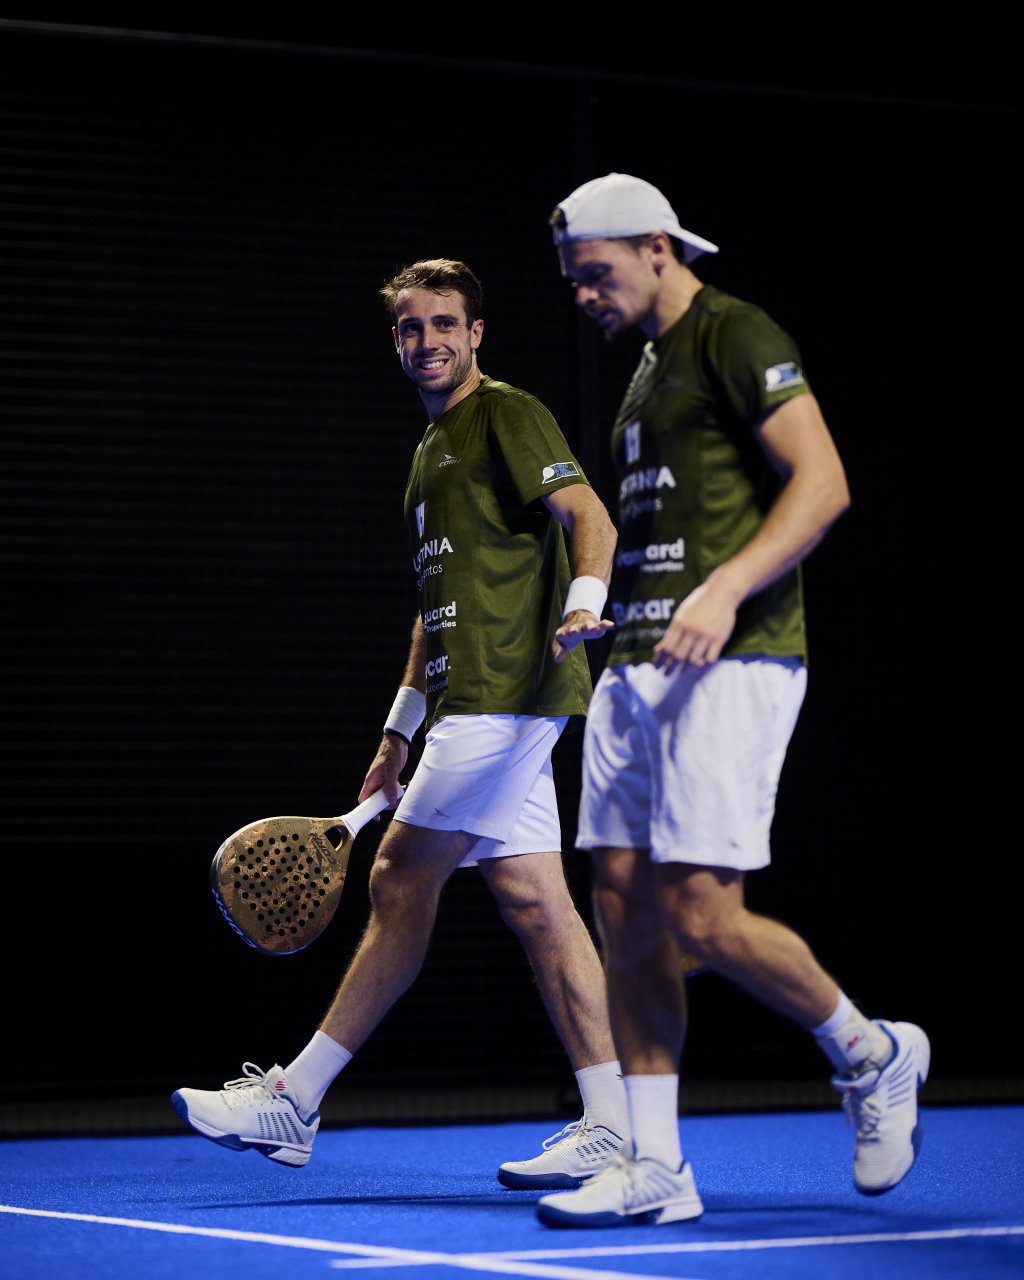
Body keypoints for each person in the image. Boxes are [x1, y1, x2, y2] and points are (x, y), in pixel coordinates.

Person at [172, 258, 633, 1191]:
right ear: (396, 340)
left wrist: (584, 601)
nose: (428, 341)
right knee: (538, 903)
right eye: (410, 328)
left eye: (444, 325)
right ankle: (616, 1125)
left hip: (513, 691)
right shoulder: (428, 455)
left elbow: (589, 514)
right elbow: (434, 608)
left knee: (397, 875)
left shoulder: (506, 412)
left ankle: (294, 1101)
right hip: (470, 700)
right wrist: (397, 729)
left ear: (475, 334)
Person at [535, 175, 929, 1228]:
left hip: (736, 655)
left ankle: (872, 1051)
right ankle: (658, 1163)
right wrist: (604, 612)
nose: (581, 294)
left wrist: (720, 587)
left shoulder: (735, 330)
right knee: (620, 905)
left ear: (655, 246)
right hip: (637, 663)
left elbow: (822, 481)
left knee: (702, 908)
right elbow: (665, 523)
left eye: (593, 273)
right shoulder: (647, 372)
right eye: (572, 279)